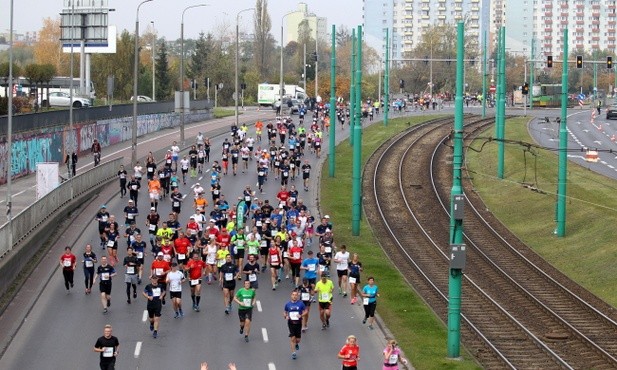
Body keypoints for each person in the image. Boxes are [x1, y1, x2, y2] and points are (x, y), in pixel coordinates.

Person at [283, 289, 307, 360]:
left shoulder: (301, 304)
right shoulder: (288, 304)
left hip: (298, 323)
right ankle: (293, 352)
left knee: (298, 339)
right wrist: (286, 316)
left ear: (297, 296)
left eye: (295, 295)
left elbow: (306, 311)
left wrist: (301, 315)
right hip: (291, 323)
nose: (294, 296)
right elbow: (284, 312)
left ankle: (296, 344)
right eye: (293, 295)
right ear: (291, 296)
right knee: (292, 338)